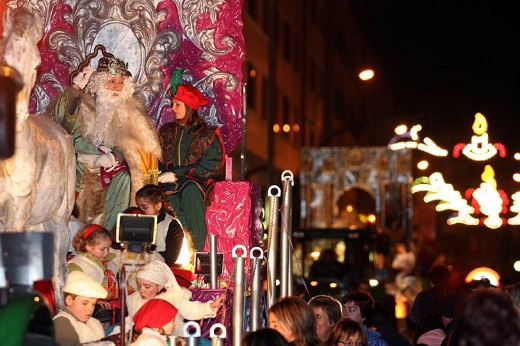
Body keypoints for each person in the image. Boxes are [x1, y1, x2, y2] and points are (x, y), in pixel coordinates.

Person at [51, 51, 162, 231]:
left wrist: (116, 156)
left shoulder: (132, 111)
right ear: (101, 83)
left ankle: (112, 237)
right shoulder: (84, 104)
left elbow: (138, 145)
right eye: (112, 82)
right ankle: (76, 239)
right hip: (81, 167)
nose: (116, 87)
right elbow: (63, 120)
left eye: (120, 82)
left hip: (114, 172)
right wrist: (75, 90)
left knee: (126, 179)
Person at [157, 83, 225, 251]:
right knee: (165, 197)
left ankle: (196, 251)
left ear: (189, 107)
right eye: (172, 103)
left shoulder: (207, 134)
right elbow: (157, 157)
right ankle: (175, 249)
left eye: (177, 104)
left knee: (190, 193)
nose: (173, 108)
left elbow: (211, 165)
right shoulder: (166, 131)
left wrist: (178, 174)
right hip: (169, 183)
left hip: (197, 183)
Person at [127, 260, 225, 336]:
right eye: (139, 286)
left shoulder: (174, 296)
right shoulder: (134, 299)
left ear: (160, 286)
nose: (141, 290)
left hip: (174, 339)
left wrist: (211, 306)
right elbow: (130, 323)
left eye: (147, 286)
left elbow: (192, 309)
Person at [68, 223, 119, 326]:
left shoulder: (111, 264)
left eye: (108, 249)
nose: (106, 253)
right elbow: (75, 290)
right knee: (103, 314)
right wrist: (94, 301)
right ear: (88, 246)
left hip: (111, 304)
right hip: (90, 307)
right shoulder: (78, 264)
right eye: (102, 249)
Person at [135, 184, 192, 267]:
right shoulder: (142, 223)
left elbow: (170, 257)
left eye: (145, 207)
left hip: (172, 270)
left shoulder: (172, 224)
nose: (141, 211)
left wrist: (145, 256)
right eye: (139, 207)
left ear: (158, 206)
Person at [53, 271, 113, 345]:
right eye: (85, 303)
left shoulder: (94, 322)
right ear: (69, 300)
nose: (90, 309)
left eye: (93, 304)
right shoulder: (62, 321)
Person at [406, 264, 452, 330]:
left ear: (431, 279)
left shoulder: (422, 296)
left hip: (428, 334)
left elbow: (413, 319)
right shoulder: (457, 294)